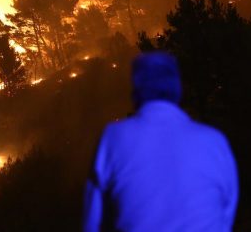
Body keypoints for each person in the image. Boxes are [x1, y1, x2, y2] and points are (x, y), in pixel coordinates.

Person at [83, 52, 239, 232]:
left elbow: (92, 222)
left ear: (136, 90)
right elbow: (226, 213)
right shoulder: (215, 141)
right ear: (177, 88)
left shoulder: (114, 138)